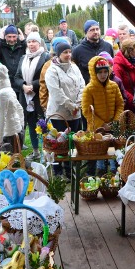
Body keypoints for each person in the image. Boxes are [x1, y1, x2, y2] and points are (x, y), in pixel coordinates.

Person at [44, 41, 84, 177]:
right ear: (58, 54)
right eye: (65, 52)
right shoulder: (52, 70)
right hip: (58, 113)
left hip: (75, 113)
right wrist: (70, 105)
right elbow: (56, 92)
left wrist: (78, 104)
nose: (68, 55)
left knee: (70, 142)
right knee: (57, 143)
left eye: (69, 52)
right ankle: (57, 170)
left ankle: (69, 169)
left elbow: (82, 86)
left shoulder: (75, 68)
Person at [81, 56, 124, 175]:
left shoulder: (114, 86)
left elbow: (120, 104)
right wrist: (102, 125)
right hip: (96, 127)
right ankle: (96, 173)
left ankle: (114, 172)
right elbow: (87, 111)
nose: (103, 75)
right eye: (99, 72)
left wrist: (115, 121)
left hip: (112, 125)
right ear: (94, 73)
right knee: (98, 153)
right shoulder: (89, 89)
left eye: (105, 71)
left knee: (113, 150)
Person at [14, 32, 49, 160]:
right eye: (29, 42)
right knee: (31, 125)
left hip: (39, 97)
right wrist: (23, 86)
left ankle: (46, 151)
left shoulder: (45, 57)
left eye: (34, 41)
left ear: (39, 43)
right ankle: (35, 151)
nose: (31, 44)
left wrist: (33, 86)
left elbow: (45, 77)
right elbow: (17, 76)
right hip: (25, 97)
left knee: (43, 126)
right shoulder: (23, 58)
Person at [0, 64, 24, 154]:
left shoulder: (0, 95)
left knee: (5, 161)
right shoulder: (10, 90)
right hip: (16, 129)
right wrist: (21, 125)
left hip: (7, 133)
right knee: (16, 157)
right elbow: (20, 109)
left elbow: (0, 118)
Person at [72, 19, 114, 84]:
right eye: (92, 30)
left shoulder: (108, 46)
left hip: (106, 87)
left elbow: (112, 66)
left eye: (97, 29)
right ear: (86, 33)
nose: (96, 32)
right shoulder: (78, 50)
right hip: (87, 89)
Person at [0, 24, 26, 97]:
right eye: (9, 37)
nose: (12, 39)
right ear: (5, 36)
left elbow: (29, 52)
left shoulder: (21, 45)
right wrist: (0, 40)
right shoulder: (1, 46)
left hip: (20, 83)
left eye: (14, 36)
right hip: (6, 84)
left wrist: (23, 41)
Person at [39, 36, 70, 112]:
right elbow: (43, 86)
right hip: (54, 107)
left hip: (72, 106)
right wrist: (44, 105)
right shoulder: (48, 65)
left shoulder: (72, 65)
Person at [113, 38, 135, 112]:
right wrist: (134, 101)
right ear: (130, 51)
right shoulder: (117, 66)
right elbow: (119, 88)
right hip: (127, 106)